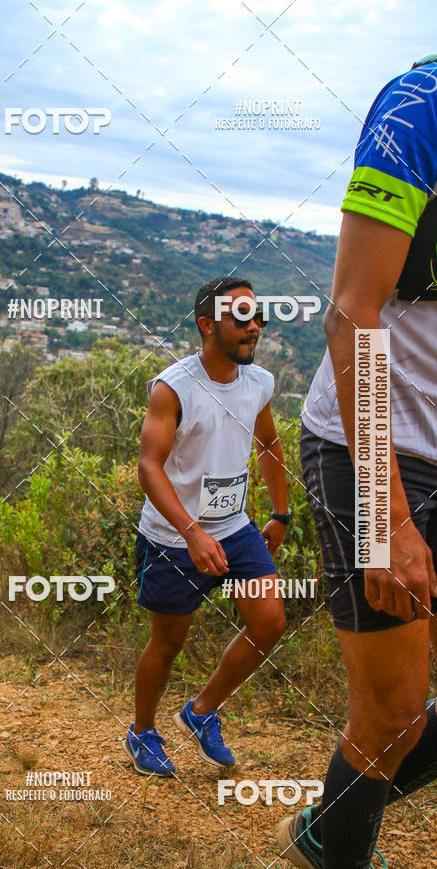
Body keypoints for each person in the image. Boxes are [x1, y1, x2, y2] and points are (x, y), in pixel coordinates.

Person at [278, 51, 437, 869]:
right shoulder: (430, 103)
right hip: (374, 447)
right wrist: (387, 513)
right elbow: (352, 312)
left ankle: (324, 827)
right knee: (389, 716)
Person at [124, 276, 290, 776]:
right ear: (207, 324)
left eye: (258, 316)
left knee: (270, 623)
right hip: (173, 537)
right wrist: (192, 532)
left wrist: (280, 512)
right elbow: (149, 467)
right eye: (241, 318)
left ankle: (200, 712)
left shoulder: (258, 384)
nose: (254, 326)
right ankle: (142, 732)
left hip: (235, 527)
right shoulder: (172, 387)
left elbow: (267, 444)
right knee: (169, 641)